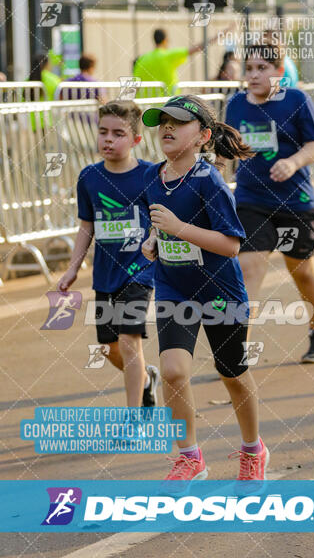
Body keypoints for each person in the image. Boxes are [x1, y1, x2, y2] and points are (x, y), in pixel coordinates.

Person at [141, 95, 268, 487]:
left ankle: (253, 449)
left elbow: (231, 244)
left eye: (178, 122)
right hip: (173, 287)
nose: (167, 127)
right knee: (174, 371)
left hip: (220, 290)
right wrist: (152, 240)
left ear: (202, 136)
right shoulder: (152, 177)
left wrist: (178, 229)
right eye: (163, 121)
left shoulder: (208, 180)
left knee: (231, 372)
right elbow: (160, 225)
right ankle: (189, 457)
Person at [226, 43, 314, 364]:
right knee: (248, 268)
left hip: (294, 201)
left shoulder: (297, 100)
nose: (254, 75)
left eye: (262, 68)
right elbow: (227, 149)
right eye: (249, 69)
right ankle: (238, 349)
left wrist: (294, 162)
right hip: (250, 199)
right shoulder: (236, 105)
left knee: (300, 269)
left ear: (278, 71)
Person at [57, 100, 159, 407]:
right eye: (103, 132)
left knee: (129, 342)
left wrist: (154, 240)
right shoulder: (89, 177)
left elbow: (160, 219)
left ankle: (134, 417)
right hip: (105, 274)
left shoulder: (149, 175)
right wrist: (74, 267)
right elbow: (86, 226)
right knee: (109, 347)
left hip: (140, 271)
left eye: (118, 133)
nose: (108, 139)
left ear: (136, 140)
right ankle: (145, 377)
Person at [133, 28, 223, 96]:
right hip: (166, 106)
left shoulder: (142, 59)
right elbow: (197, 48)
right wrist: (220, 35)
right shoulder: (168, 55)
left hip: (146, 110)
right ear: (165, 40)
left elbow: (134, 85)